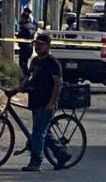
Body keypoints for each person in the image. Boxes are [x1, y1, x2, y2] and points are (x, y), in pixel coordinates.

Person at [7, 33, 71, 172]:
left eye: (41, 45)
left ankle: (35, 162)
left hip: (46, 103)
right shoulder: (35, 61)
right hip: (35, 101)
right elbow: (28, 78)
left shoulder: (53, 63)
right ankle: (62, 154)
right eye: (36, 44)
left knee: (38, 133)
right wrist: (17, 89)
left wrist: (52, 103)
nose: (38, 47)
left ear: (48, 46)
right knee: (44, 133)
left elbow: (57, 84)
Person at [17, 8, 39, 75]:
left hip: (24, 47)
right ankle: (26, 77)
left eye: (22, 18)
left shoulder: (25, 27)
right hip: (29, 47)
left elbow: (22, 36)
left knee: (22, 64)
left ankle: (26, 77)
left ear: (24, 18)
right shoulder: (32, 26)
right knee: (25, 63)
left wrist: (19, 35)